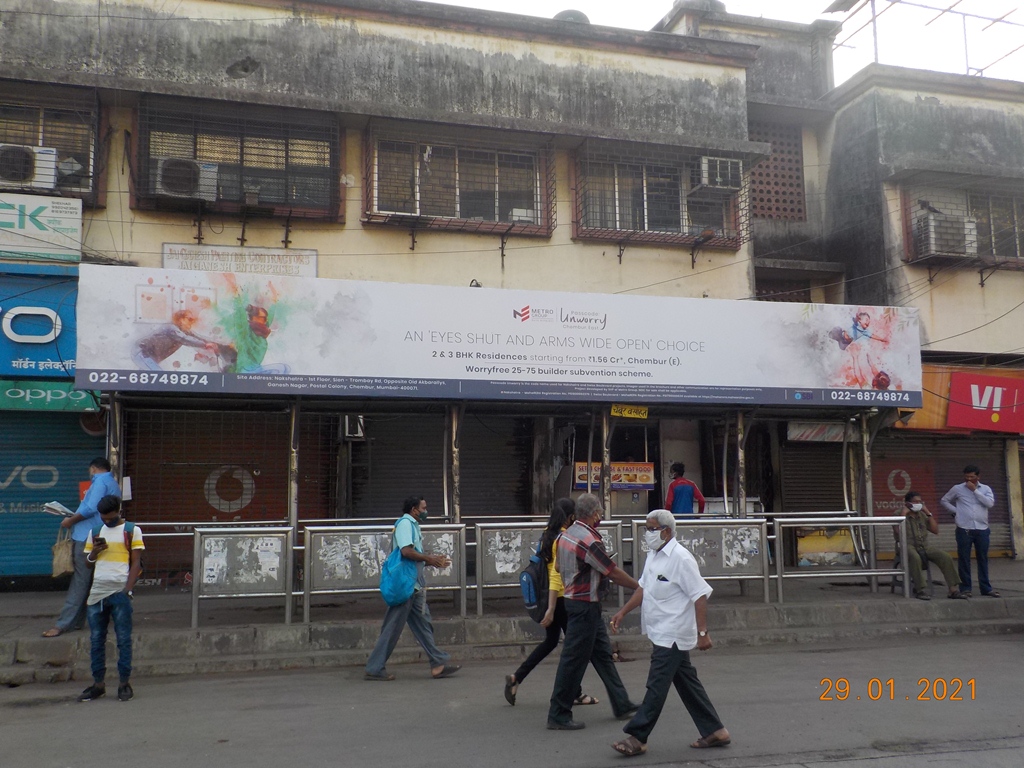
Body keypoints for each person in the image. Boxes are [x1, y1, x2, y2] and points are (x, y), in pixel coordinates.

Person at [608, 509, 730, 756]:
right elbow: (643, 587)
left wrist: (703, 632)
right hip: (659, 630)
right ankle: (715, 730)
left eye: (651, 529)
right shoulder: (653, 555)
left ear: (666, 531)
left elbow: (699, 595)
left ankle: (638, 736)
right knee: (686, 682)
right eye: (646, 528)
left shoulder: (681, 558)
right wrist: (623, 612)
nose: (647, 533)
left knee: (657, 685)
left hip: (673, 634)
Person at [546, 493, 640, 731]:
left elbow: (557, 566)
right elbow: (612, 572)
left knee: (602, 656)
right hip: (585, 605)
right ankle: (558, 713)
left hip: (577, 602)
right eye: (599, 513)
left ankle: (622, 703)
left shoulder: (566, 535)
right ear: (594, 514)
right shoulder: (589, 540)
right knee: (573, 661)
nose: (600, 517)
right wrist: (639, 586)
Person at [504, 498, 597, 708]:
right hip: (562, 596)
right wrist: (552, 608)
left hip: (551, 596)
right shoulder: (562, 537)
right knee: (575, 647)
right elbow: (556, 574)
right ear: (571, 516)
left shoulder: (547, 533)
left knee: (552, 642)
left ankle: (516, 677)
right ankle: (575, 692)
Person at [365, 496, 461, 681]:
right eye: (423, 507)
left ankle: (437, 663)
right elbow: (406, 551)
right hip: (407, 585)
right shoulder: (405, 524)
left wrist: (430, 561)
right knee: (392, 627)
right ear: (414, 509)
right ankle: (375, 667)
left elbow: (413, 554)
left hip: (415, 585)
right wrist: (429, 559)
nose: (426, 511)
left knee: (423, 624)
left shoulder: (414, 526)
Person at [43, 458, 122, 638]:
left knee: (80, 581)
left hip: (87, 538)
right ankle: (77, 622)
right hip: (99, 536)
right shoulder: (112, 483)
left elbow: (90, 508)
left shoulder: (100, 482)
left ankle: (62, 624)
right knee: (88, 582)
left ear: (93, 469)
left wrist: (70, 520)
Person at [77, 495, 144, 702]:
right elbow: (88, 563)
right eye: (103, 518)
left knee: (123, 639)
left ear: (118, 511)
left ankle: (124, 683)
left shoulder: (132, 530)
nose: (106, 521)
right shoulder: (95, 531)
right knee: (97, 639)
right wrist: (95, 552)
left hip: (119, 592)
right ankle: (98, 684)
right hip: (97, 592)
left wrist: (127, 590)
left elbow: (136, 563)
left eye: (110, 517)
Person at [941, 465, 999, 597]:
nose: (969, 480)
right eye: (966, 477)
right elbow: (944, 500)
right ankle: (966, 588)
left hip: (982, 528)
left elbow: (989, 504)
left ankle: (986, 588)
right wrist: (956, 512)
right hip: (964, 528)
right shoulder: (958, 488)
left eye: (972, 477)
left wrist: (975, 491)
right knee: (964, 559)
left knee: (982, 558)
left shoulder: (985, 489)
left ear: (978, 477)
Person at [897, 491, 966, 601]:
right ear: (907, 503)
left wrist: (928, 513)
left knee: (945, 557)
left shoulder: (922, 515)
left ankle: (953, 589)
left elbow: (935, 530)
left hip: (924, 545)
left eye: (920, 502)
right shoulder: (898, 513)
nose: (918, 504)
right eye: (915, 502)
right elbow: (897, 532)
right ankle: (920, 589)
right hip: (907, 546)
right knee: (915, 557)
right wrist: (903, 515)